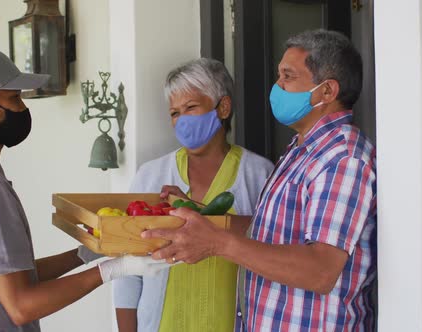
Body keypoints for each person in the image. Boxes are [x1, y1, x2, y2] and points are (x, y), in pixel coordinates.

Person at [0, 46, 172, 332]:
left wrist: (85, 254)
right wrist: (116, 270)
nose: (23, 108)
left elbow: (10, 277)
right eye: (14, 98)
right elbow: (21, 306)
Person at [143, 30, 377, 331]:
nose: (277, 87)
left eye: (287, 76)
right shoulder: (302, 150)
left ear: (327, 91)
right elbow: (268, 230)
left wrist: (217, 243)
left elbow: (320, 270)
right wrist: (198, 215)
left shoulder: (342, 159)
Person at [113, 58, 274, 332]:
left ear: (222, 107)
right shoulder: (151, 176)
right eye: (175, 113)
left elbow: (274, 247)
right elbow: (128, 271)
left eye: (190, 108)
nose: (181, 119)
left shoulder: (259, 174)